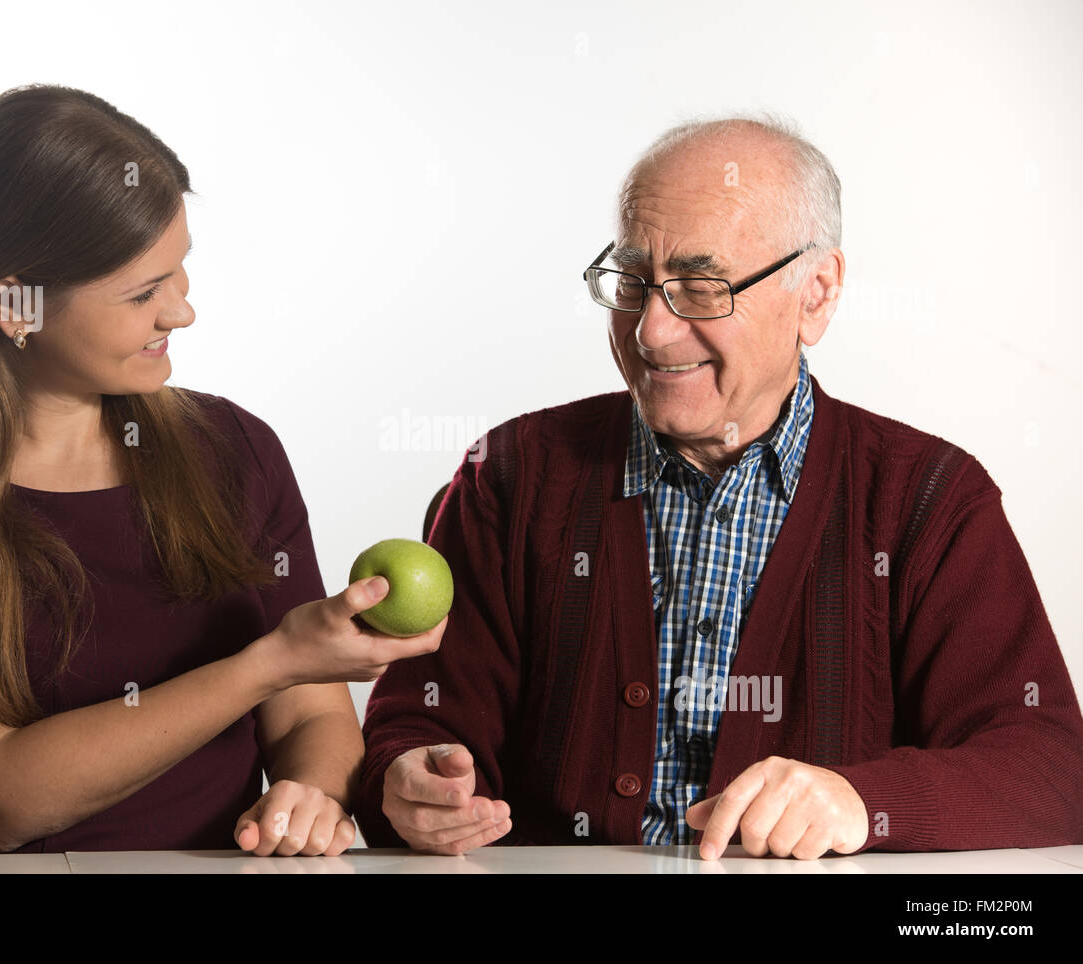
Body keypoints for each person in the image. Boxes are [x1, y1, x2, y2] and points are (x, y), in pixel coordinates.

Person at [357, 113, 1083, 859]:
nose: (650, 333)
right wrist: (410, 781)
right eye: (634, 282)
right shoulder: (509, 476)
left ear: (817, 293)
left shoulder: (928, 500)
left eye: (702, 289)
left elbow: (1052, 771)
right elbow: (418, 727)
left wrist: (862, 801)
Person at [0, 84, 444, 856]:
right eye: (143, 292)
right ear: (15, 306)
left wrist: (310, 794)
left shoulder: (235, 450)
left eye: (180, 272)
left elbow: (311, 717)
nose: (181, 312)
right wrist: (266, 664)